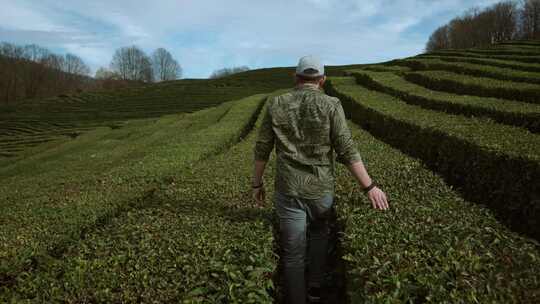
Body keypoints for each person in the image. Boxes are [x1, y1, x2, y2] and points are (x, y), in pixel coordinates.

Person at [252, 55, 389, 304]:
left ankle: (297, 299)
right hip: (321, 190)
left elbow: (262, 148)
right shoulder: (331, 104)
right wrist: (369, 186)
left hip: (289, 190)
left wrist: (257, 184)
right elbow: (346, 148)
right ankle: (315, 288)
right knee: (318, 236)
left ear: (296, 78)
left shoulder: (276, 104)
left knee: (293, 254)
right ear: (322, 80)